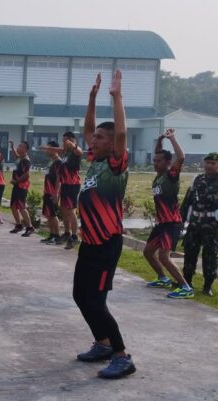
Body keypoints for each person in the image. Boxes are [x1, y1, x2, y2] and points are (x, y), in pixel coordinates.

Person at [73, 71, 135, 379]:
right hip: (90, 243)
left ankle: (122, 356)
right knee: (80, 296)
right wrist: (92, 98)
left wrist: (116, 97)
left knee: (96, 302)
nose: (92, 139)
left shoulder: (115, 164)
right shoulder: (96, 161)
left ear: (112, 145)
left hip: (107, 243)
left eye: (99, 137)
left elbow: (121, 135)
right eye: (94, 137)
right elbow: (87, 127)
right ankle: (103, 343)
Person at [144, 128, 193, 299]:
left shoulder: (171, 175)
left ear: (167, 163)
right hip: (161, 224)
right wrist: (159, 139)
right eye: (154, 160)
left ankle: (185, 287)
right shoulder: (158, 177)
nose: (155, 163)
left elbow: (181, 157)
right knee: (148, 252)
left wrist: (172, 138)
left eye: (158, 161)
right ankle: (163, 278)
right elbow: (158, 151)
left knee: (164, 257)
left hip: (172, 223)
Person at [179, 152, 218, 297]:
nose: (209, 166)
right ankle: (187, 282)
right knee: (190, 253)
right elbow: (187, 201)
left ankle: (207, 286)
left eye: (213, 163)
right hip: (195, 224)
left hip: (212, 226)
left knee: (210, 256)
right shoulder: (197, 179)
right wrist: (181, 220)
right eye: (207, 163)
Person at [58, 131, 83, 249]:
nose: (63, 143)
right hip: (65, 184)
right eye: (63, 141)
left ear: (71, 140)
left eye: (65, 141)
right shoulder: (66, 153)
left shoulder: (75, 152)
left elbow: (80, 151)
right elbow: (57, 150)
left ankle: (75, 236)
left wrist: (73, 145)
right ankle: (67, 233)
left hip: (73, 184)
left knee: (70, 210)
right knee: (63, 209)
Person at [38, 141, 63, 245]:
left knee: (52, 214)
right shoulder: (52, 161)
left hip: (53, 192)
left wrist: (56, 193)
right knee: (48, 214)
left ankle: (57, 236)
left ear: (54, 149)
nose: (46, 151)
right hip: (47, 192)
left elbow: (59, 178)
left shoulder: (58, 162)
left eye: (48, 149)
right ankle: (52, 235)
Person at [9, 141, 35, 237]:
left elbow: (26, 175)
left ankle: (30, 227)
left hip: (21, 186)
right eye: (18, 146)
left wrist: (16, 181)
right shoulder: (21, 158)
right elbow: (16, 157)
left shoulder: (25, 160)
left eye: (20, 146)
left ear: (25, 149)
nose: (18, 147)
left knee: (21, 207)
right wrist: (12, 147)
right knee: (13, 206)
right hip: (17, 186)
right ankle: (19, 225)